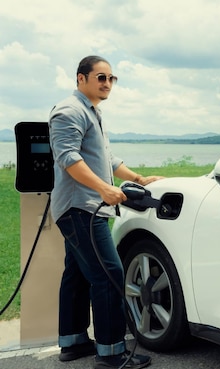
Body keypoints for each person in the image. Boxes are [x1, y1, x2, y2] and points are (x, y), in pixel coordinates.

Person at [49, 55, 161, 368]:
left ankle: (73, 343)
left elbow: (107, 159)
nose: (107, 83)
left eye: (111, 78)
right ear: (80, 78)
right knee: (109, 274)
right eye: (100, 77)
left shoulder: (92, 113)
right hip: (80, 208)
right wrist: (103, 189)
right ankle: (112, 353)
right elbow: (68, 158)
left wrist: (138, 179)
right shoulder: (69, 111)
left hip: (83, 207)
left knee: (78, 274)